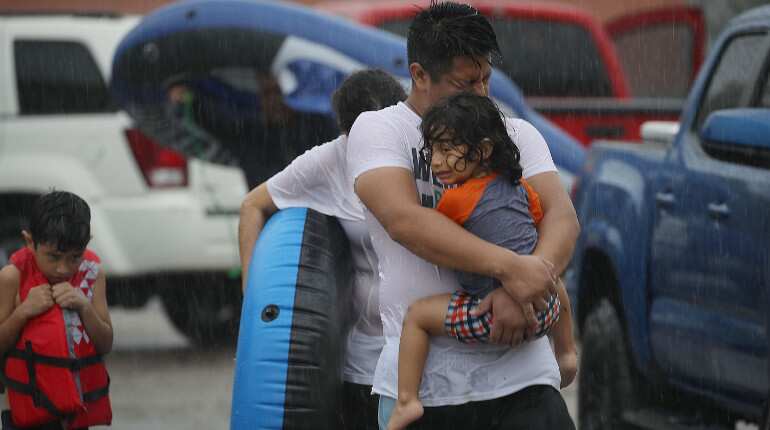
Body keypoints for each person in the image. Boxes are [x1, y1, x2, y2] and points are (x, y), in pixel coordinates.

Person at [346, 2, 580, 429]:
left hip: (523, 379)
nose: (481, 94)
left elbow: (561, 218)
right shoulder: (379, 130)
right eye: (465, 82)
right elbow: (406, 222)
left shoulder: (514, 134)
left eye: (486, 79)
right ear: (419, 75)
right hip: (428, 385)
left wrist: (523, 289)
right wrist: (511, 269)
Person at [386, 93, 577, 430]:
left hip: (490, 317)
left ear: (484, 150)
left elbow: (438, 238)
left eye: (448, 150)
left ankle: (406, 401)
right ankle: (566, 352)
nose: (438, 162)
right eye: (433, 152)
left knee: (417, 317)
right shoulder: (519, 186)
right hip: (543, 307)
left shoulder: (455, 201)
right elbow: (536, 215)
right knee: (553, 278)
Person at [238, 69, 407, 430]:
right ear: (346, 132)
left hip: (425, 353)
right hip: (364, 360)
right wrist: (251, 302)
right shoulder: (331, 159)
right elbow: (253, 205)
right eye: (359, 139)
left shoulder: (427, 155)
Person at [0, 191, 113, 430]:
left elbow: (105, 344)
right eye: (53, 256)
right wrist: (23, 312)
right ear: (30, 242)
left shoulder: (92, 276)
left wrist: (84, 306)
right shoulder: (12, 277)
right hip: (26, 414)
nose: (63, 269)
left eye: (75, 257)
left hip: (74, 417)